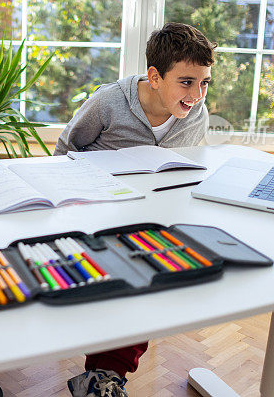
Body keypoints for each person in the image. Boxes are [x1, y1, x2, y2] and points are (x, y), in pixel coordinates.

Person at [55, 22, 216, 397]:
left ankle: (105, 375)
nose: (197, 94)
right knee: (124, 274)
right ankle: (102, 366)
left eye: (205, 82)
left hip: (149, 216)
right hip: (93, 210)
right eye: (187, 82)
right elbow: (65, 151)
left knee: (153, 276)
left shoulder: (195, 115)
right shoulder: (109, 102)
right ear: (155, 77)